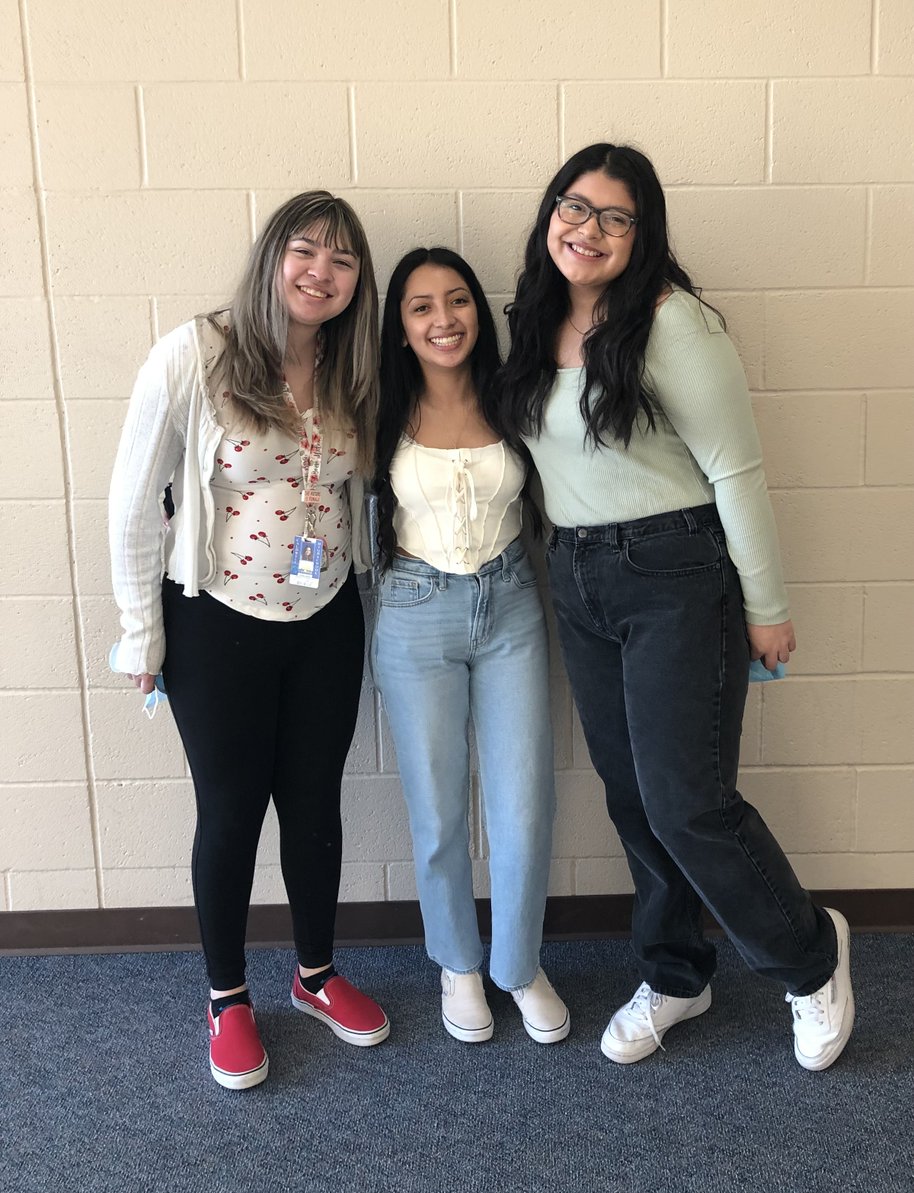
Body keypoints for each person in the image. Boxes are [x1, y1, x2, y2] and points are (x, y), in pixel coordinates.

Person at [497, 144, 854, 1071]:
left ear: (643, 233)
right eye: (575, 207)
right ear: (551, 213)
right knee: (632, 800)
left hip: (674, 574)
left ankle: (812, 959)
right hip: (576, 574)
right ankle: (676, 974)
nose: (589, 229)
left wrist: (766, 606)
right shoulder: (534, 321)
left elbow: (737, 470)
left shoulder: (673, 324)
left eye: (616, 217)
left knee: (688, 803)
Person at [109, 192, 389, 1091]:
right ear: (272, 257)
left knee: (313, 803)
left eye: (342, 260)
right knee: (230, 809)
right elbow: (131, 502)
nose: (321, 272)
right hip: (216, 621)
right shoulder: (196, 355)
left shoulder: (353, 367)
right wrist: (140, 634)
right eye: (305, 251)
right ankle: (227, 997)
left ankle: (315, 975)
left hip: (326, 619)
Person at [371, 248, 569, 1044]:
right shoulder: (378, 407)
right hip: (414, 611)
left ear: (477, 314)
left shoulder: (516, 396)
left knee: (523, 803)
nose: (443, 319)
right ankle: (457, 963)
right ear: (400, 326)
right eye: (421, 306)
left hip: (511, 605)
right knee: (438, 805)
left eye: (456, 301)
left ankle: (519, 965)